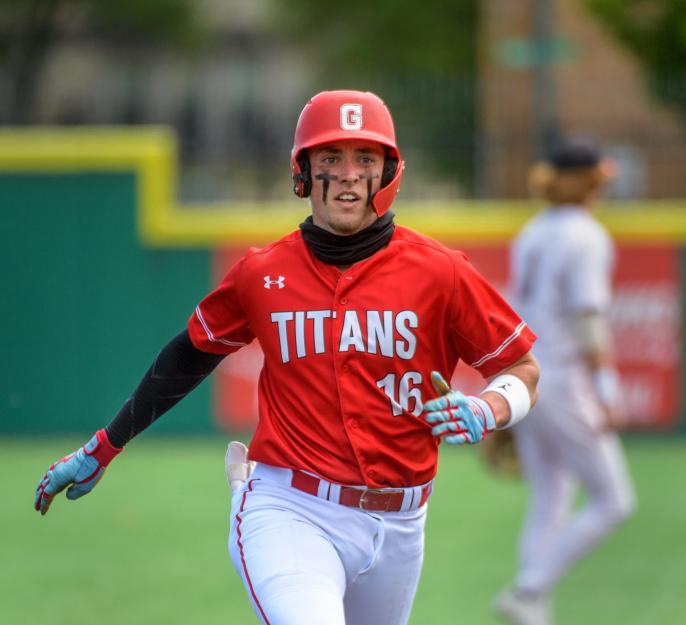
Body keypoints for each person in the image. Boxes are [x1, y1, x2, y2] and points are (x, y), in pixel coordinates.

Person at [34, 89, 540, 625]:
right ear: (303, 174)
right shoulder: (261, 274)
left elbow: (523, 370)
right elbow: (189, 355)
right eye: (330, 159)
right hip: (293, 510)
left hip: (402, 525)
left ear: (390, 172)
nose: (348, 174)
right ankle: (247, 504)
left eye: (365, 159)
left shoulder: (441, 272)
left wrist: (490, 408)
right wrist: (106, 444)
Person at [494, 136, 636, 625]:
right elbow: (588, 324)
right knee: (614, 501)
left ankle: (533, 608)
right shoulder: (586, 234)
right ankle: (528, 589)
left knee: (550, 497)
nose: (604, 186)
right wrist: (608, 392)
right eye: (600, 177)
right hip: (565, 378)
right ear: (587, 181)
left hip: (526, 377)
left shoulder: (532, 231)